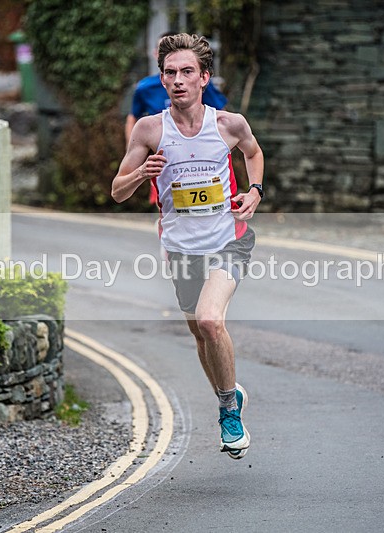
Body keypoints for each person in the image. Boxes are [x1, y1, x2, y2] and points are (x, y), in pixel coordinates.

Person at [112, 33, 264, 460]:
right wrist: (142, 172)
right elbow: (117, 191)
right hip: (180, 248)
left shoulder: (228, 124)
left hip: (228, 240)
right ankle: (227, 391)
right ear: (162, 80)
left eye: (187, 72)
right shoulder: (150, 129)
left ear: (204, 78)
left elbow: (254, 153)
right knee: (200, 333)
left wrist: (255, 191)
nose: (178, 80)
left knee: (211, 320)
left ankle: (229, 412)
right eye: (170, 73)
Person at [125, 32, 228, 204]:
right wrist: (134, 151)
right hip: (164, 155)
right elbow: (132, 118)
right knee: (169, 203)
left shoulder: (197, 82)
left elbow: (221, 115)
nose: (178, 80)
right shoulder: (145, 87)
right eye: (161, 49)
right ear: (155, 54)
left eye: (186, 71)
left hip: (199, 153)